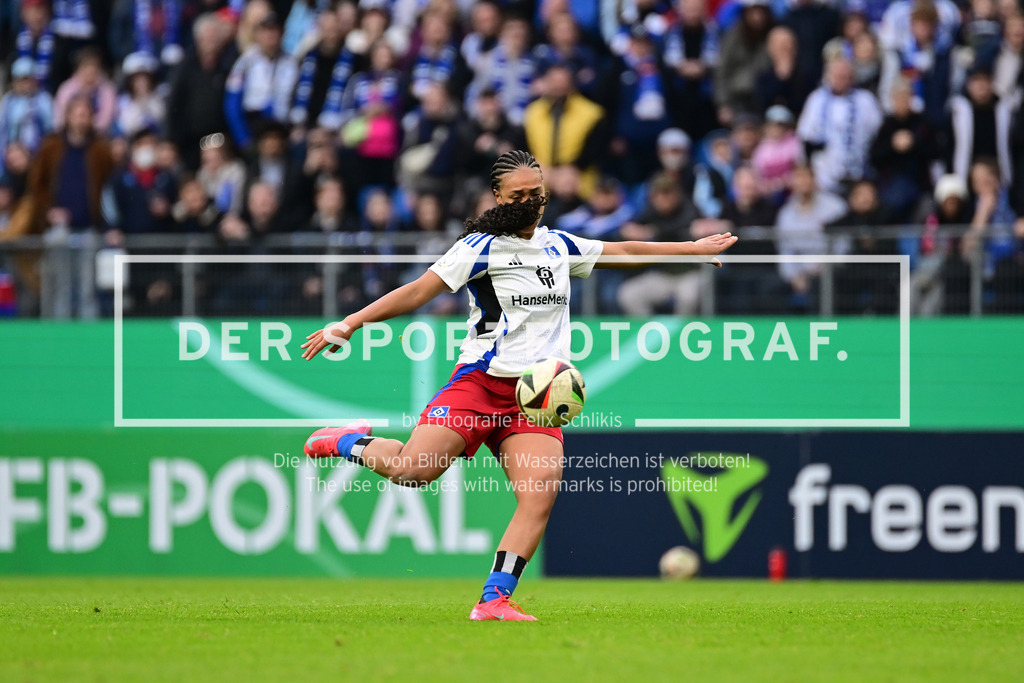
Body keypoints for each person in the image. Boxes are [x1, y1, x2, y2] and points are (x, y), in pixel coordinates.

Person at [298, 150, 736, 621]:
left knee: (539, 494)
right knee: (413, 471)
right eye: (518, 195)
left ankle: (494, 599)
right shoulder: (478, 247)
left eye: (536, 193)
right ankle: (344, 440)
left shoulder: (559, 246)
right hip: (480, 383)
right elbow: (418, 291)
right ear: (498, 197)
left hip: (536, 396)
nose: (529, 202)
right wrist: (350, 322)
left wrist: (692, 249)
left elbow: (624, 251)